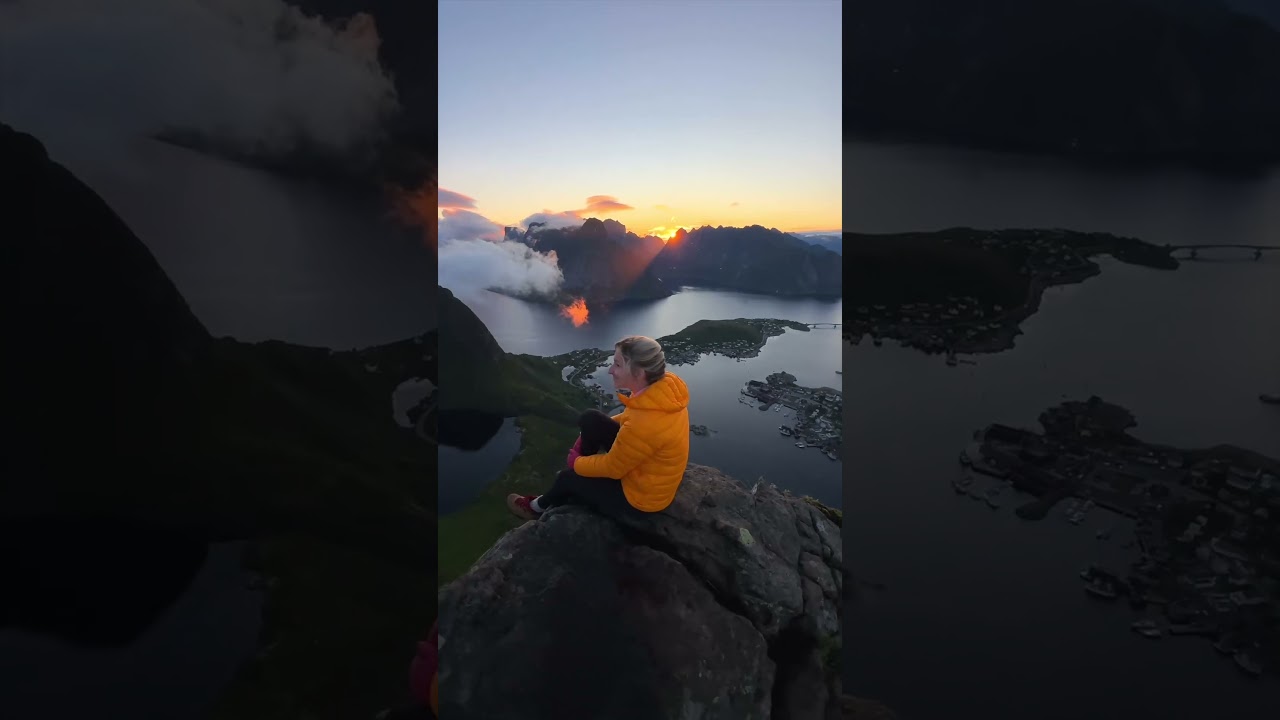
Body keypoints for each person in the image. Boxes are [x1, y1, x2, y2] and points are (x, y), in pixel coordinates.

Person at [507, 335, 690, 520]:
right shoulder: (662, 392)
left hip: (641, 499)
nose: (611, 370)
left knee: (567, 478)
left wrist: (576, 463)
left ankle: (534, 509)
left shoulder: (645, 423)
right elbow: (632, 419)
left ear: (640, 373)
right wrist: (590, 434)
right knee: (590, 419)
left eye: (617, 365)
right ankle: (582, 477)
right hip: (644, 471)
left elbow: (614, 468)